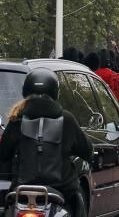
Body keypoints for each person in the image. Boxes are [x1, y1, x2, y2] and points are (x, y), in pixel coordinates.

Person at [0, 68, 92, 217]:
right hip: (62, 191)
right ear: (55, 91)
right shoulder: (67, 119)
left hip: (22, 191)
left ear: (26, 90)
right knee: (78, 201)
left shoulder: (16, 119)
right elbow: (87, 150)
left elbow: (3, 154)